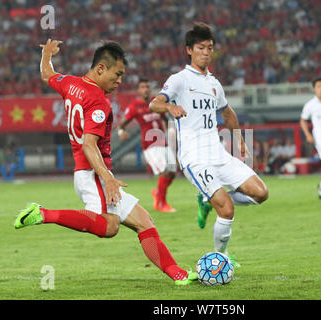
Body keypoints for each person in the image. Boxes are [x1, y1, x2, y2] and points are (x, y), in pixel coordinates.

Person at [14, 39, 197, 286]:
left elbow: (48, 74)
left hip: (87, 173)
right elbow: (90, 145)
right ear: (101, 68)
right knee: (110, 227)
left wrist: (46, 54)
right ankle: (43, 213)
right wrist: (108, 178)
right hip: (94, 174)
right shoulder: (98, 101)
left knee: (144, 222)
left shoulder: (71, 84)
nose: (120, 81)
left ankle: (178, 274)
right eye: (117, 74)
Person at [149, 23, 269, 267]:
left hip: (218, 153)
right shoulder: (180, 80)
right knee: (226, 209)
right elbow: (154, 103)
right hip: (195, 156)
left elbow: (227, 112)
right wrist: (170, 106)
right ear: (189, 50)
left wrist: (240, 140)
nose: (206, 52)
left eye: (210, 48)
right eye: (201, 48)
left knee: (260, 193)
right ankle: (221, 257)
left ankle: (206, 201)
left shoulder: (214, 83)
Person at [118, 79, 177, 213]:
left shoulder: (156, 103)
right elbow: (122, 124)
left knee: (173, 172)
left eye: (147, 86)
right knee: (165, 172)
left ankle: (157, 194)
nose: (145, 89)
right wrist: (122, 132)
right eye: (142, 87)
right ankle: (162, 204)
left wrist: (171, 132)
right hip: (151, 146)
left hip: (164, 143)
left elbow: (166, 120)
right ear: (139, 90)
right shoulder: (135, 107)